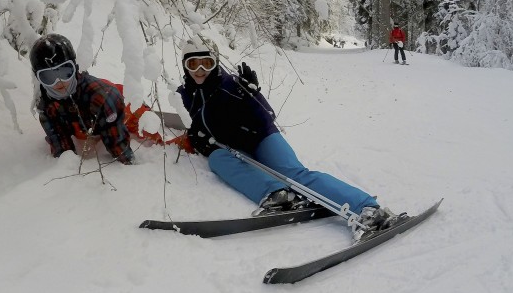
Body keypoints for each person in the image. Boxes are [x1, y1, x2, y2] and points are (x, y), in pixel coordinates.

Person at [177, 38, 400, 238]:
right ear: (185, 66)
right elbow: (197, 123)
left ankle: (368, 209)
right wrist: (200, 140)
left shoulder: (232, 84)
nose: (199, 70)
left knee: (295, 174)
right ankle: (278, 194)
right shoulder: (186, 93)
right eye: (193, 64)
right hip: (236, 147)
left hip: (261, 137)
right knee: (217, 160)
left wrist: (252, 96)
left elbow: (267, 115)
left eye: (206, 63)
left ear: (215, 63)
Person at [30, 33, 135, 164]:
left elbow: (118, 144)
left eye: (64, 72)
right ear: (38, 78)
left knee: (140, 120)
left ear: (75, 67)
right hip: (84, 120)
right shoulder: (46, 104)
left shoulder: (104, 98)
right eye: (48, 77)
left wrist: (129, 164)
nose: (59, 82)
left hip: (118, 102)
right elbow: (61, 147)